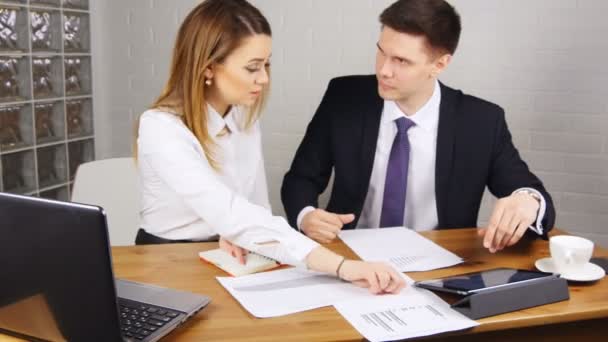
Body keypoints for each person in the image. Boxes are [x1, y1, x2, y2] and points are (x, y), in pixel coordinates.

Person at [135, 0, 405, 294]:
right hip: (167, 262)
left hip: (226, 255)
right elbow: (230, 212)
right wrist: (343, 267)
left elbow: (255, 210)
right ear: (209, 68)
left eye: (266, 64)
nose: (263, 78)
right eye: (252, 67)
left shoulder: (242, 117)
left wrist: (241, 236)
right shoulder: (160, 127)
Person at [281, 0, 555, 254]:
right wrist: (306, 216)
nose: (384, 70)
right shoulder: (344, 97)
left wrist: (527, 202)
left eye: (401, 61)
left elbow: (531, 193)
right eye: (381, 52)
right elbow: (300, 178)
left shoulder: (481, 121)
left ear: (439, 64)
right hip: (349, 256)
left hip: (440, 261)